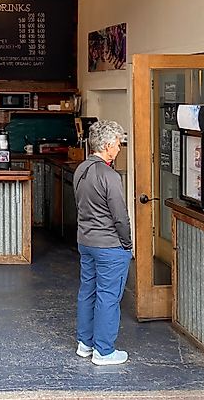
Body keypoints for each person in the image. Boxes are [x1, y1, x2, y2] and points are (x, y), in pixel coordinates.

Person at [72, 120, 132, 365]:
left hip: (86, 242)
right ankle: (104, 351)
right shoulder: (110, 175)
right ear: (107, 146)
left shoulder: (81, 169)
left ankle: (84, 344)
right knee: (108, 296)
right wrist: (127, 244)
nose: (119, 148)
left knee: (88, 291)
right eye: (118, 144)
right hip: (109, 246)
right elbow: (120, 216)